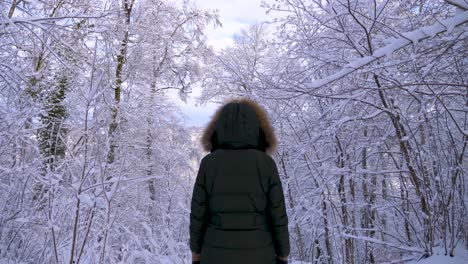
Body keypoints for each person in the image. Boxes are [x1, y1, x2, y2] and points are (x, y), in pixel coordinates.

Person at [189, 98, 290, 264]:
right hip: (260, 253)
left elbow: (198, 214)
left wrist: (196, 252)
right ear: (257, 128)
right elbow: (278, 215)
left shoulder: (209, 163)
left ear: (218, 129)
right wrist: (283, 253)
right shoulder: (266, 164)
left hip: (214, 253)